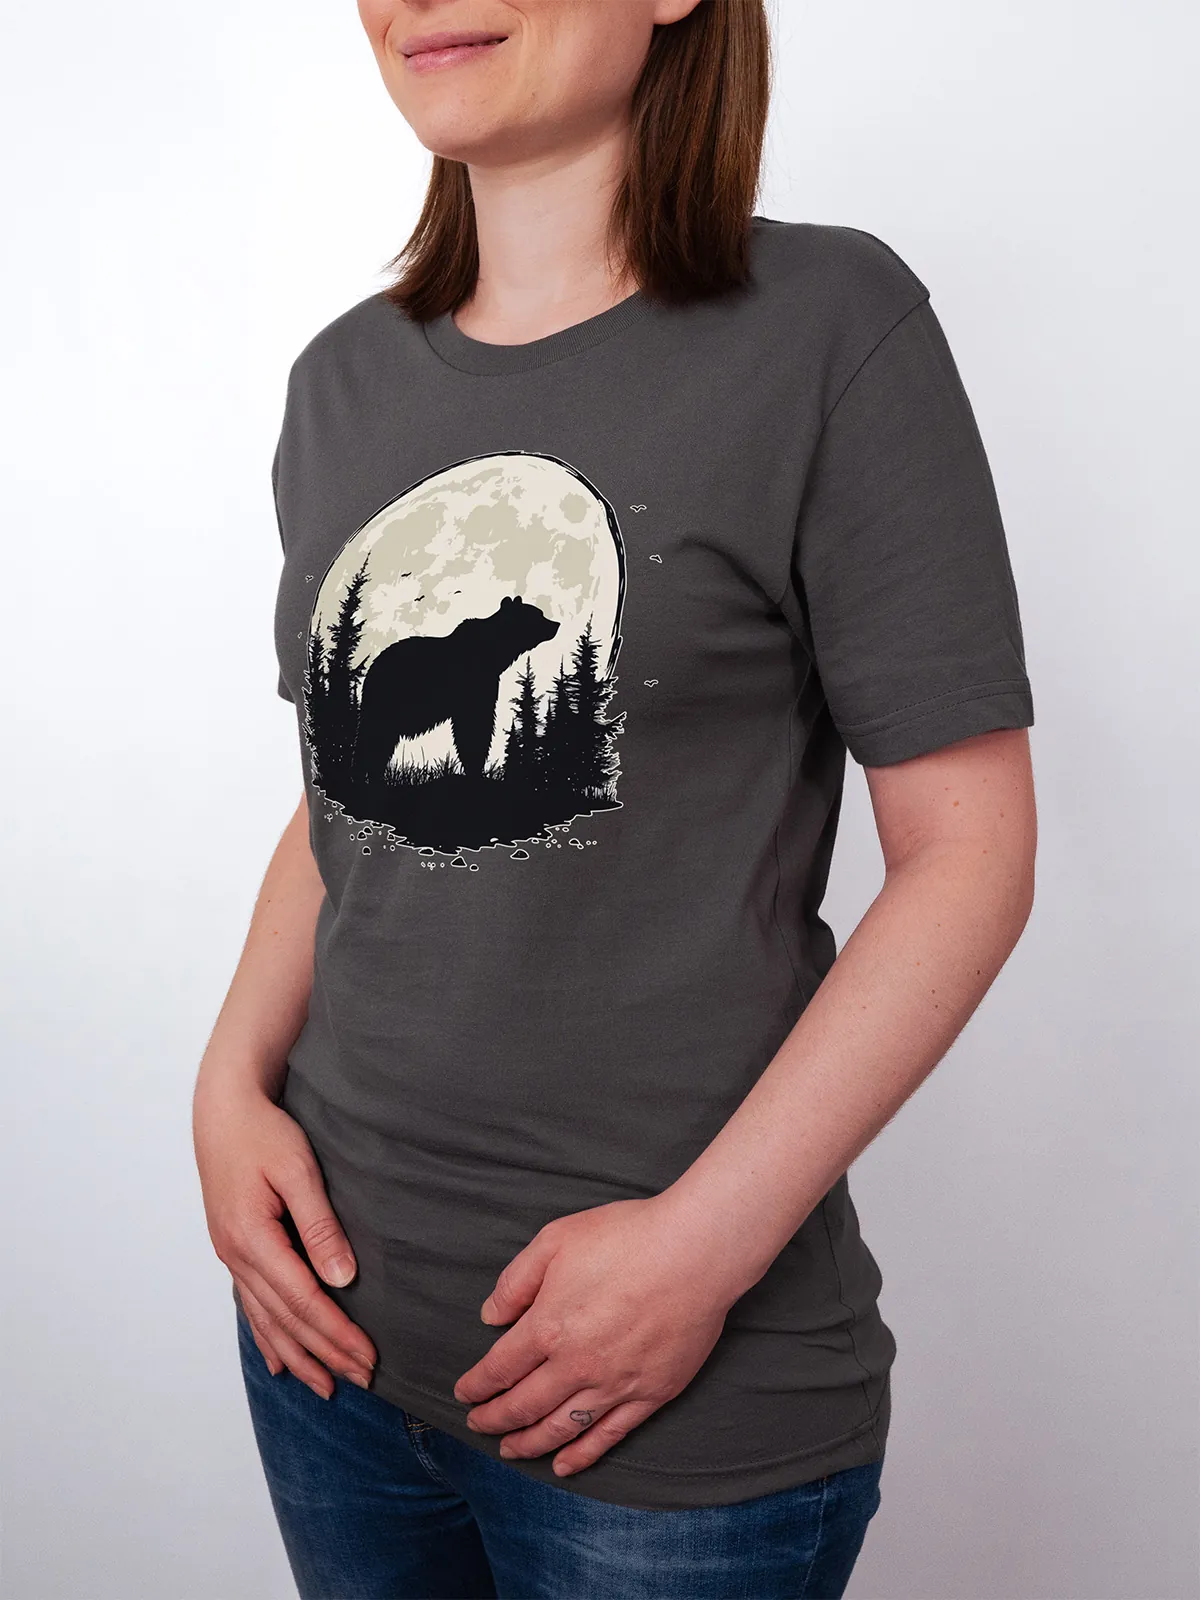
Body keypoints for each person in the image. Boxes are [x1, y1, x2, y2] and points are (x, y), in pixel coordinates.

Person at [192, 2, 1038, 1595]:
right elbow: (347, 802)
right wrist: (226, 1084)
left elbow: (970, 857)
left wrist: (704, 1250)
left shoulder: (831, 329)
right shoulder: (341, 382)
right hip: (327, 1359)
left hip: (664, 1422)